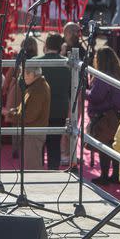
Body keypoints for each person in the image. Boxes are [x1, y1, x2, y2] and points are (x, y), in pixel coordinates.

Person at [87, 47, 120, 185]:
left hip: (105, 116)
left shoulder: (103, 76)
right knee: (117, 145)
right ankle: (116, 176)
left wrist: (85, 92)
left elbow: (96, 97)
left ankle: (105, 176)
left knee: (105, 146)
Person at [37, 33, 70, 169]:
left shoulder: (35, 61)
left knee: (38, 146)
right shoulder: (68, 65)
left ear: (45, 45)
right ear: (61, 47)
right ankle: (53, 175)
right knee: (54, 146)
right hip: (59, 110)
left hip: (38, 110)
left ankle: (35, 177)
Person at [7, 66, 50, 170]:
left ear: (31, 74)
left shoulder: (38, 89)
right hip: (32, 131)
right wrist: (15, 111)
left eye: (23, 74)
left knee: (32, 168)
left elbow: (30, 116)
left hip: (33, 133)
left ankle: (34, 186)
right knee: (31, 166)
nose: (22, 77)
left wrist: (11, 114)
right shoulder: (36, 86)